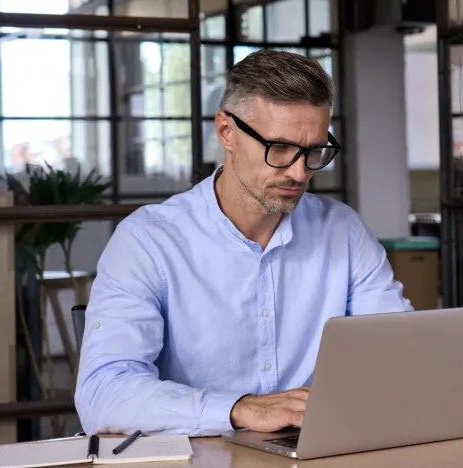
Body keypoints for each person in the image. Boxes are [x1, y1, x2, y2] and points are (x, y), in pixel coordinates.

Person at [74, 50, 412, 437]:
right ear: (226, 131)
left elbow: (395, 355)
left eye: (315, 150)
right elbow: (103, 392)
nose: (299, 172)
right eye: (280, 148)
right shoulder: (148, 241)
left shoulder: (344, 232)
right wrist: (238, 409)